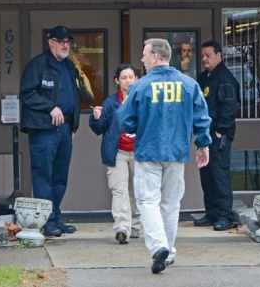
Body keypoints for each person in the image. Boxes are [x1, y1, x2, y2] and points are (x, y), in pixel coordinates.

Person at [117, 38, 212, 274]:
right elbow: (201, 118)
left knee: (147, 201)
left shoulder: (139, 86)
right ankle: (167, 250)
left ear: (155, 57)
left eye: (145, 54)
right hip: (177, 153)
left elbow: (125, 121)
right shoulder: (189, 84)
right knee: (170, 205)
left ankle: (159, 246)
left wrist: (137, 124)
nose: (142, 59)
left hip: (148, 152)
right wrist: (203, 146)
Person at [19, 25, 93, 237]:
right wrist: (50, 107)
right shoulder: (38, 65)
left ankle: (55, 217)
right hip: (44, 129)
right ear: (50, 42)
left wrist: (74, 125)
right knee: (44, 174)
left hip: (65, 129)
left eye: (67, 42)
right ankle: (46, 221)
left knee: (60, 176)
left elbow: (81, 97)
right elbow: (27, 93)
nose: (65, 45)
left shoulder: (70, 67)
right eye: (61, 42)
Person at [89, 64, 142, 245]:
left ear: (136, 78)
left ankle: (135, 225)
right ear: (117, 81)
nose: (128, 81)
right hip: (117, 152)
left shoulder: (143, 99)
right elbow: (99, 128)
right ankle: (122, 228)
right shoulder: (110, 103)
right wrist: (95, 117)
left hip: (139, 152)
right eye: (124, 78)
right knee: (119, 190)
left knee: (137, 191)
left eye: (131, 77)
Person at [194, 40, 240, 231]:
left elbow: (229, 108)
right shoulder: (204, 78)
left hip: (218, 136)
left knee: (219, 175)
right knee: (207, 176)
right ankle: (212, 213)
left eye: (208, 55)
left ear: (219, 56)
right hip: (205, 135)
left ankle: (224, 216)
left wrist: (220, 131)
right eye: (203, 56)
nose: (204, 59)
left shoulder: (225, 79)